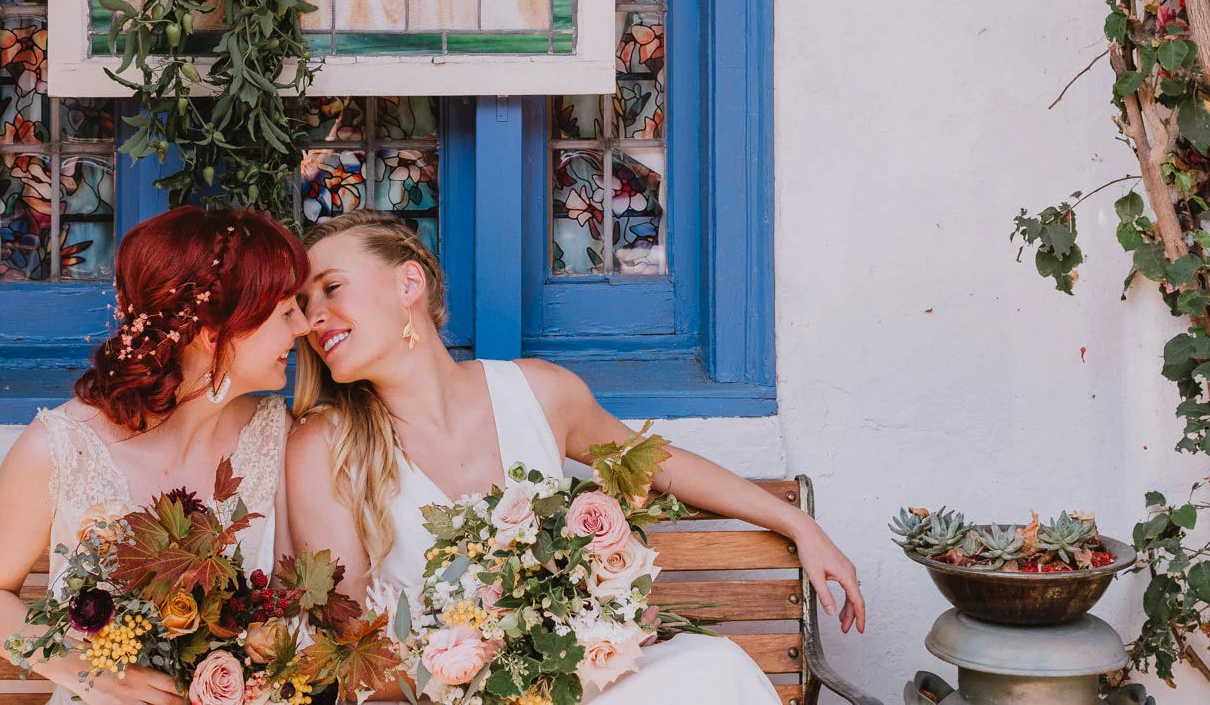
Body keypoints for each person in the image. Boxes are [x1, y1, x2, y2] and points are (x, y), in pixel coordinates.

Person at [286, 209, 867, 704]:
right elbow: (349, 649)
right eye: (305, 303)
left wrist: (797, 523)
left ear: (408, 284)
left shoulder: (537, 393)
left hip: (576, 681)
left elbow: (656, 462)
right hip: (452, 694)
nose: (314, 318)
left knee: (713, 670)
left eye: (332, 288)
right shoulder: (326, 447)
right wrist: (486, 656)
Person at [0, 206, 311, 705]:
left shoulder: (278, 436)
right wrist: (91, 674)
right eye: (284, 311)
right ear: (214, 333)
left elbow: (289, 602)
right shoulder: (58, 447)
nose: (303, 326)